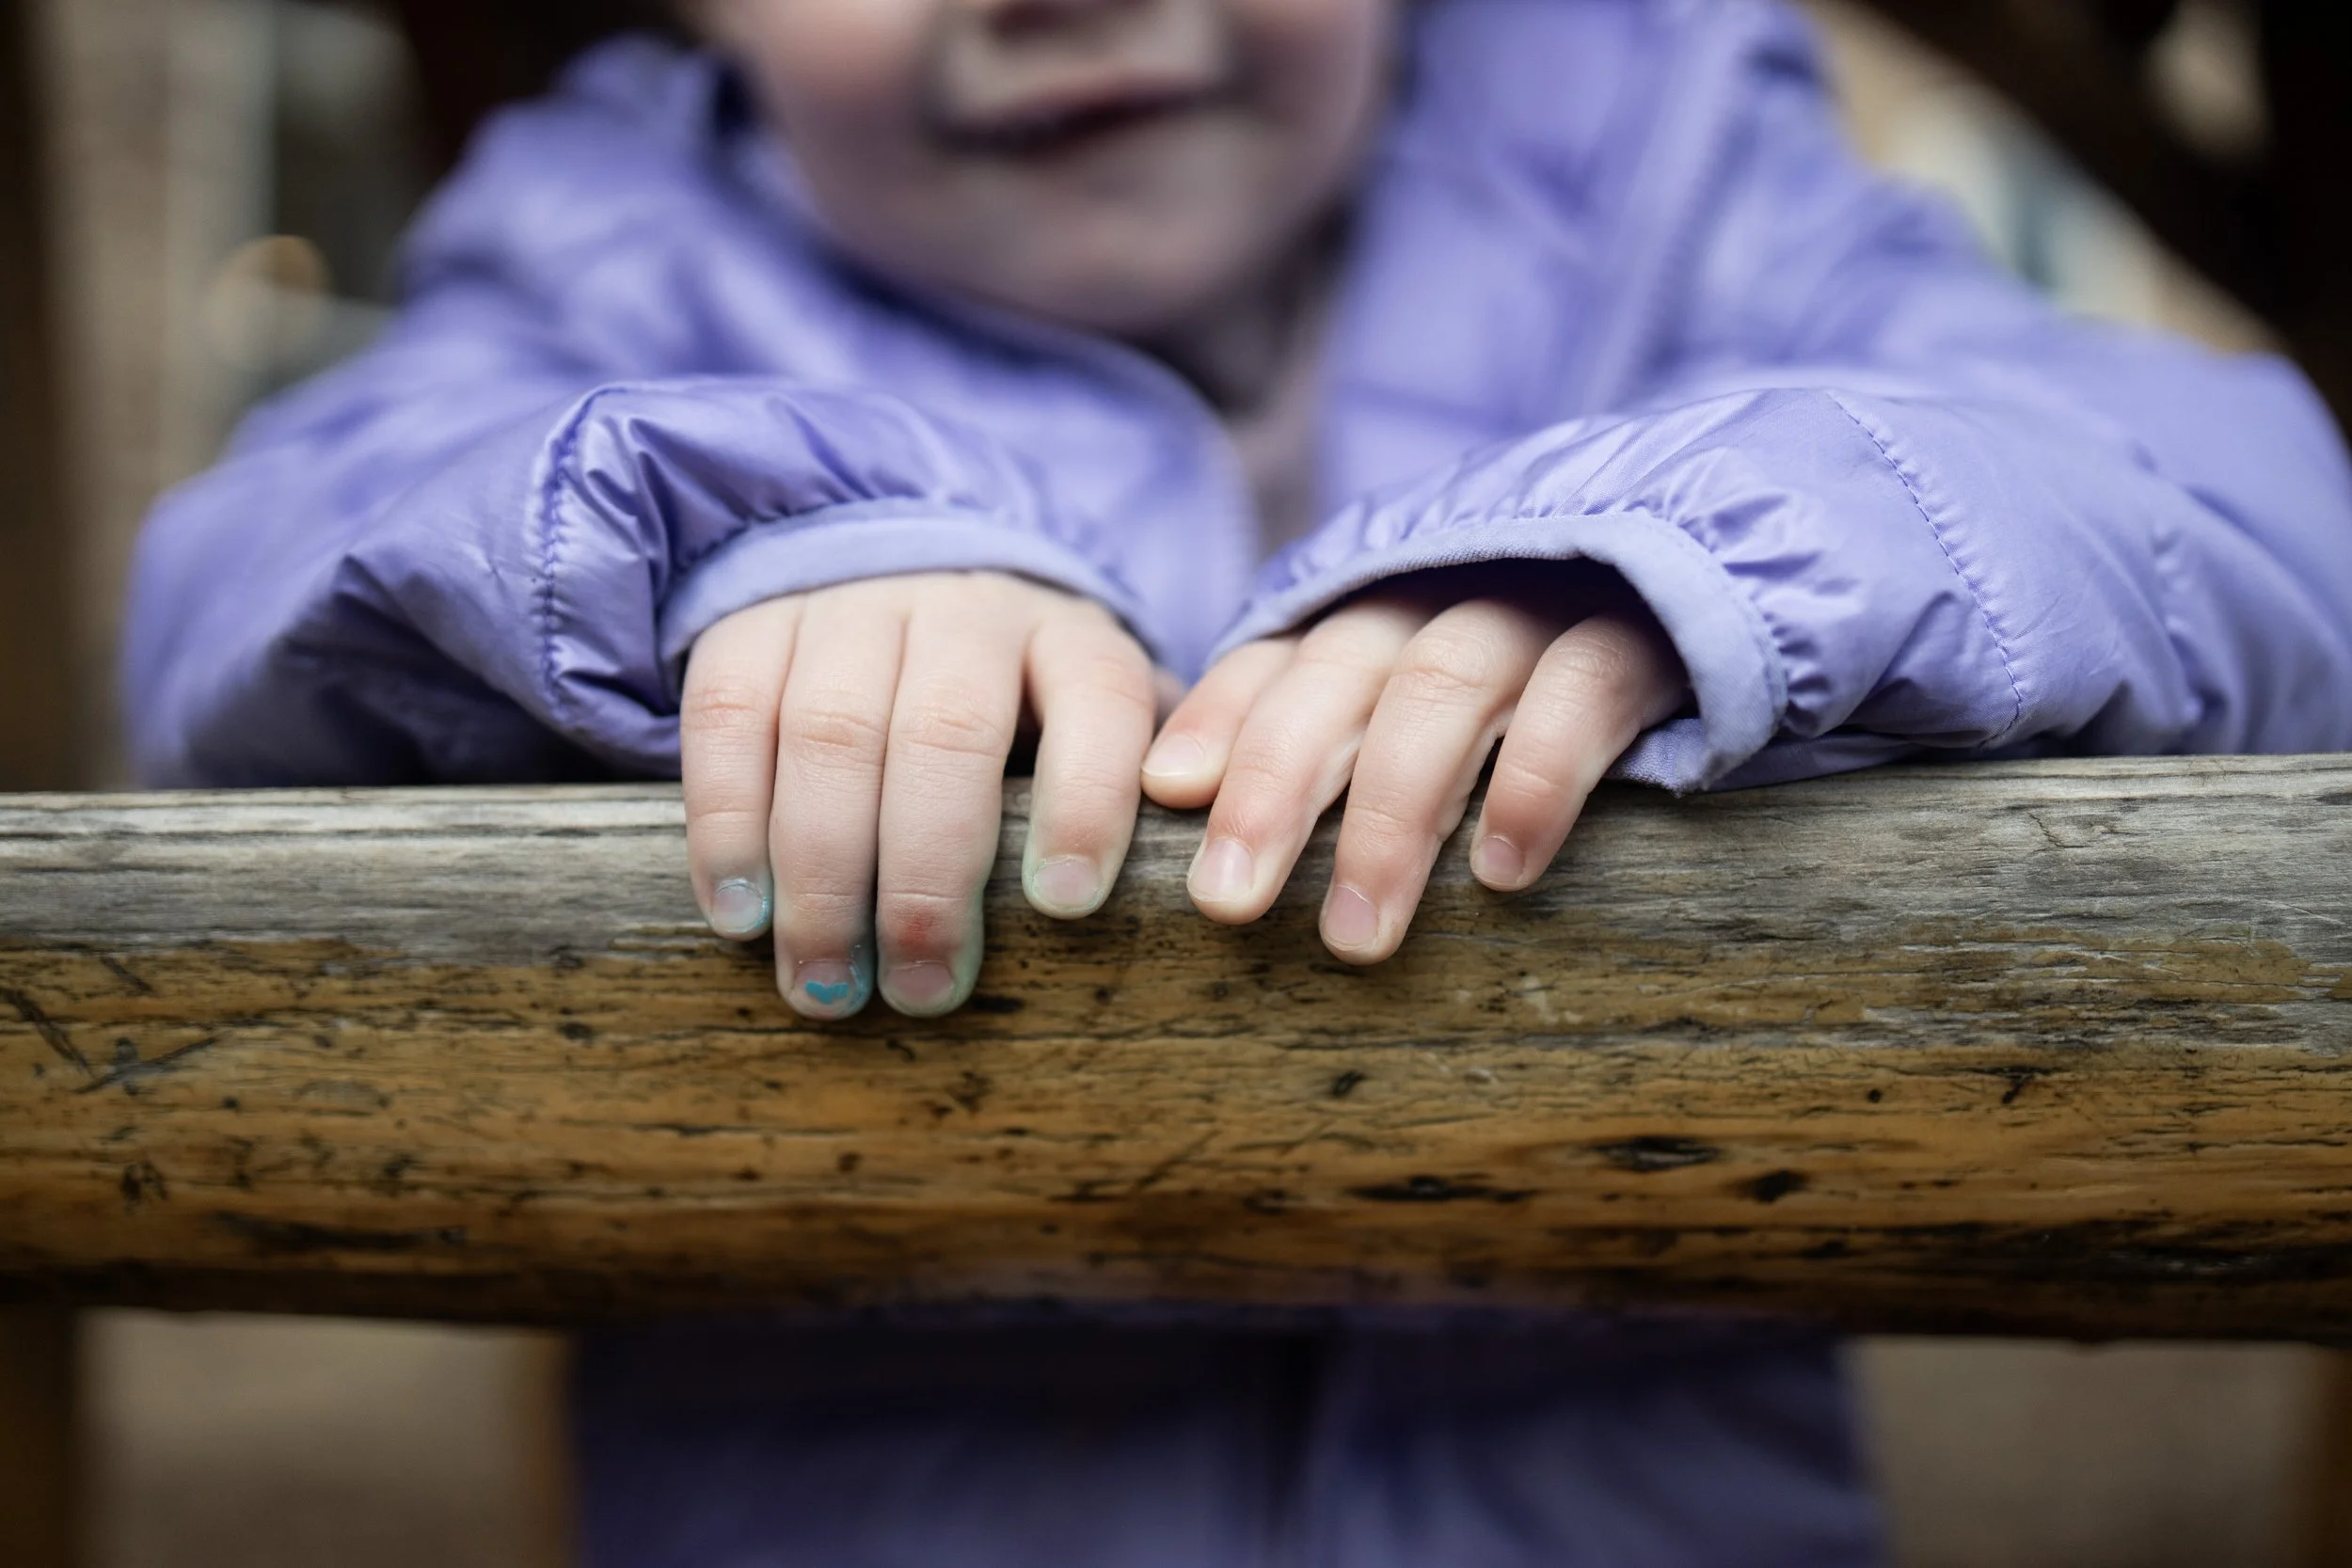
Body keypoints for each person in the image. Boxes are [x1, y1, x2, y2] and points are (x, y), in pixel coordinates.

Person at [123, 0, 2352, 1561]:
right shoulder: (606, 247)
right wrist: (738, 533)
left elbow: (2246, 512)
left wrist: (1697, 541)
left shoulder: (1667, 157)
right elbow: (233, 589)